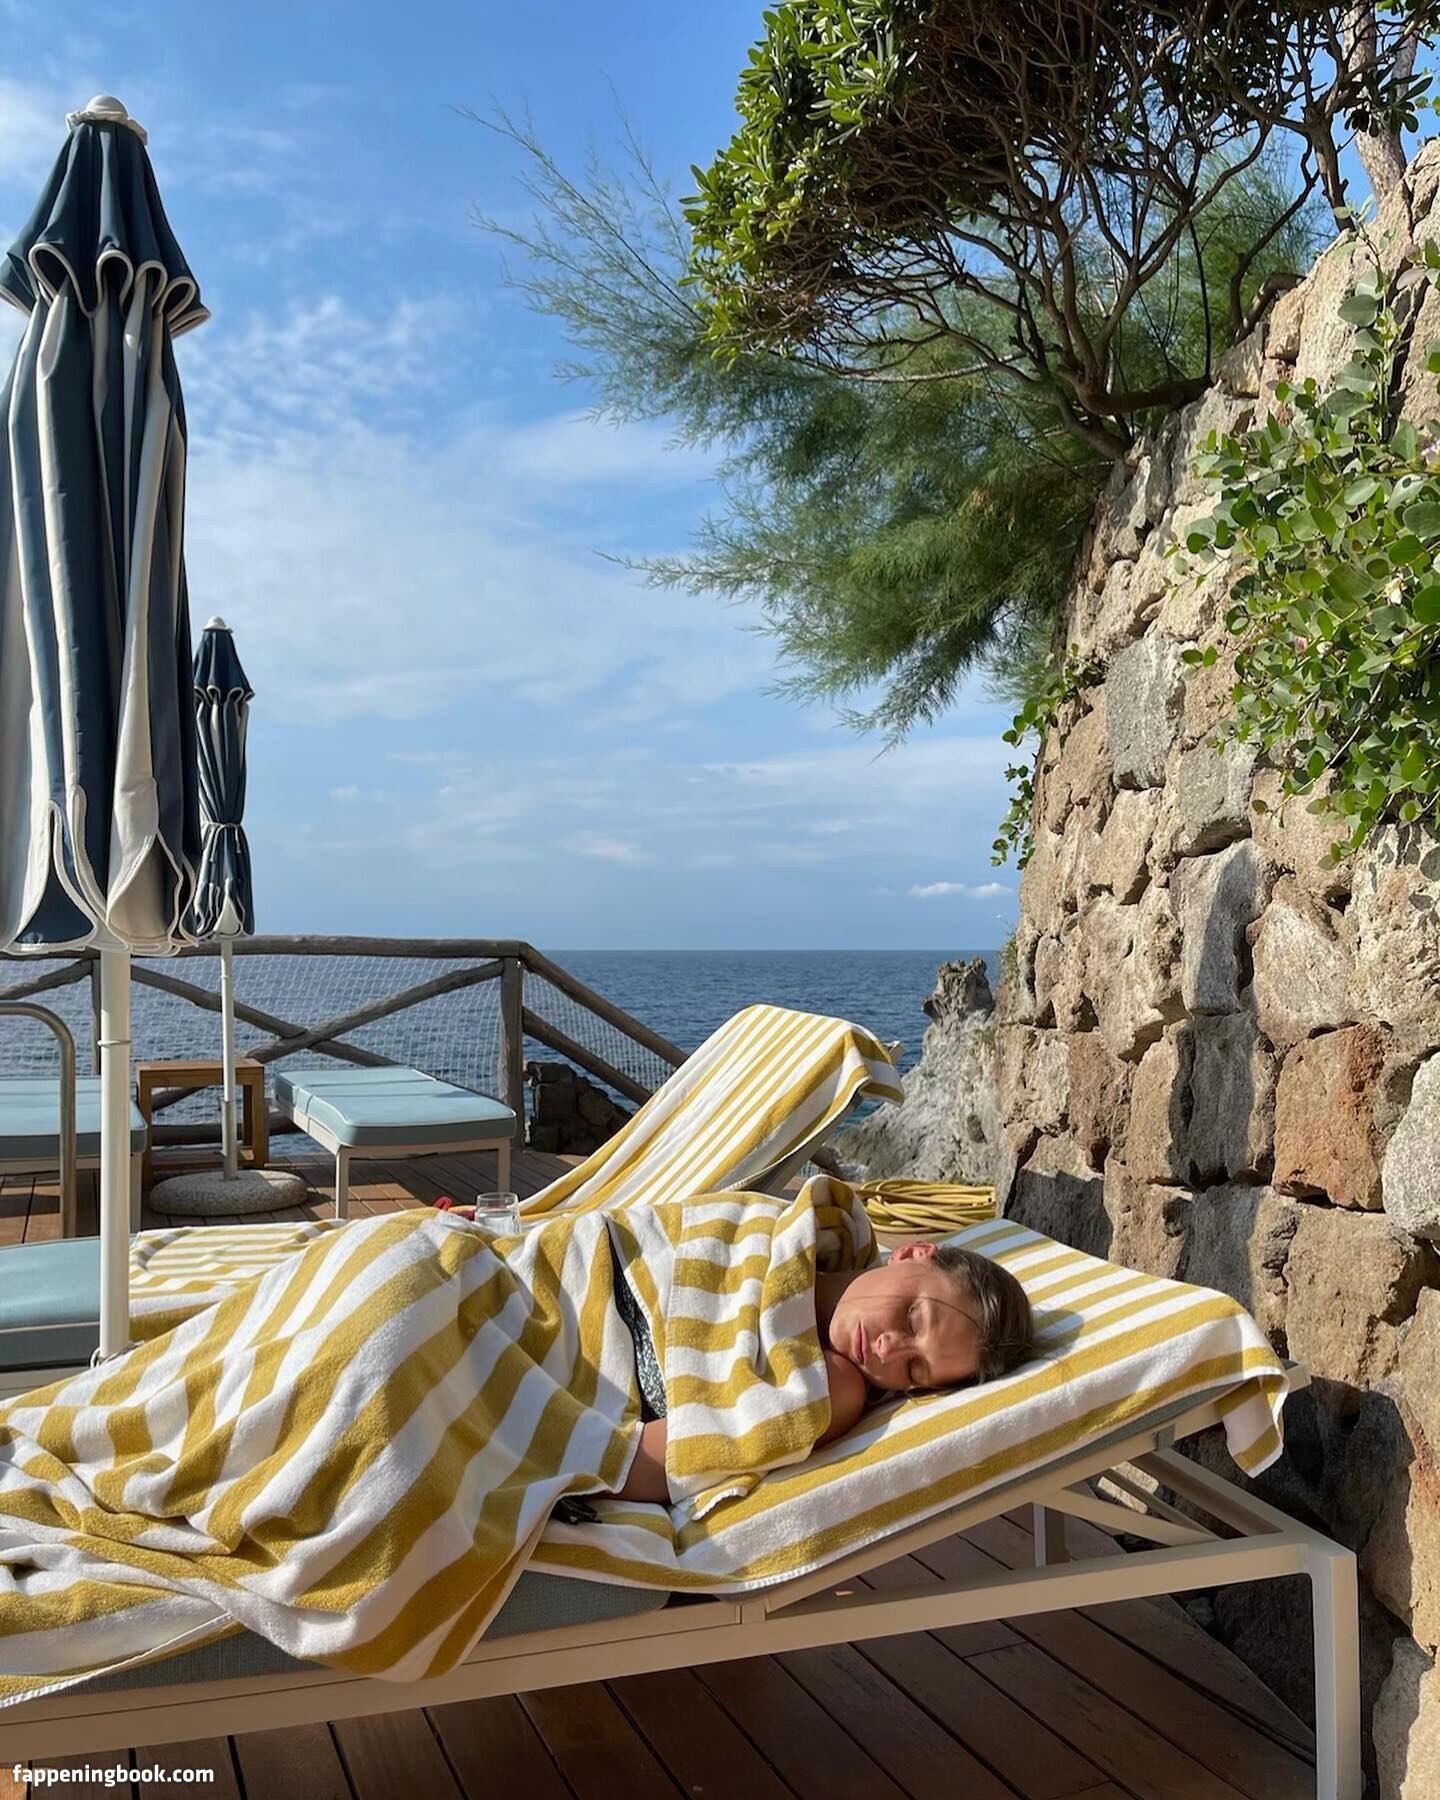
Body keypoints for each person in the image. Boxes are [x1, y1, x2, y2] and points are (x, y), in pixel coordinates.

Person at [616, 1239, 1034, 1502]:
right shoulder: (783, 1238)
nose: (888, 1349)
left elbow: (630, 1465)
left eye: (913, 1368)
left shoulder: (833, 1387)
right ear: (910, 1253)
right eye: (911, 1318)